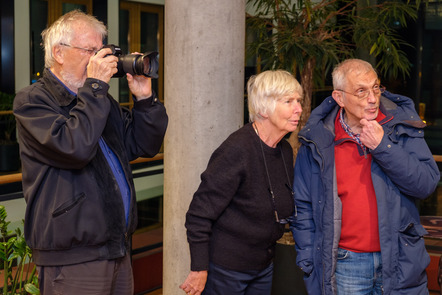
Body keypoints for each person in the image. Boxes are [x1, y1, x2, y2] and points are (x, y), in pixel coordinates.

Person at [13, 10, 168, 295]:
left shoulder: (100, 100)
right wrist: (95, 87)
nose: (102, 60)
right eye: (92, 51)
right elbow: (74, 148)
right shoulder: (32, 101)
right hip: (74, 255)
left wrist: (145, 99)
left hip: (116, 247)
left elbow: (143, 145)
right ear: (59, 53)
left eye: (103, 51)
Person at [290, 58, 440, 294]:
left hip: (401, 259)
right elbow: (303, 206)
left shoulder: (400, 126)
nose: (372, 98)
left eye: (375, 87)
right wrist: (308, 260)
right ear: (340, 98)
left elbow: (426, 185)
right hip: (346, 264)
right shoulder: (318, 140)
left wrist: (382, 147)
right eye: (361, 91)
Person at [179, 70, 303, 295]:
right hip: (226, 270)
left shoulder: (284, 149)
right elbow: (198, 215)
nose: (299, 109)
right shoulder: (237, 150)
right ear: (264, 108)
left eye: (298, 101)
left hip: (263, 266)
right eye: (289, 102)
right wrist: (199, 267)